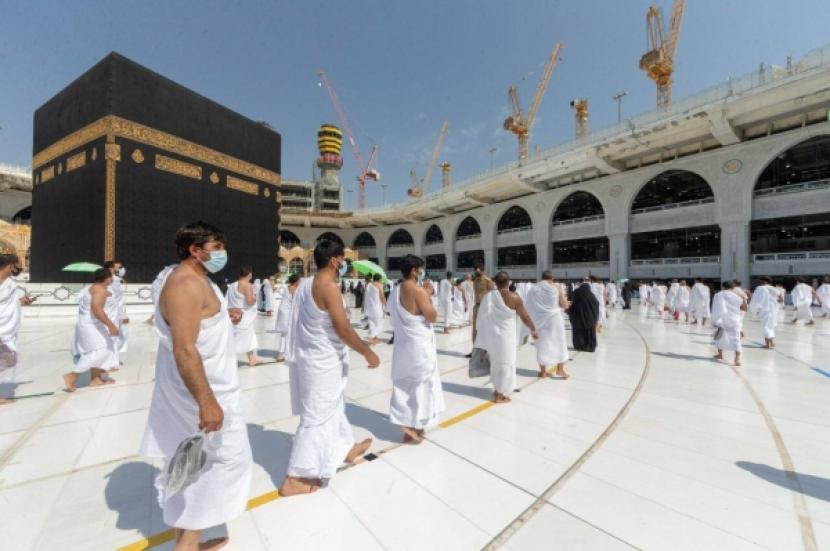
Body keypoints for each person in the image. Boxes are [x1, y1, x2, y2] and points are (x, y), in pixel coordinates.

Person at [139, 221, 252, 550]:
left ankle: (186, 541)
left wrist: (221, 318)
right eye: (216, 247)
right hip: (201, 391)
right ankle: (186, 545)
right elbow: (184, 348)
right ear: (195, 249)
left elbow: (197, 328)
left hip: (210, 385)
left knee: (193, 466)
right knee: (222, 462)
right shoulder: (185, 284)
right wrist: (206, 402)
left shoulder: (200, 281)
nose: (222, 254)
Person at [280, 240, 379, 496]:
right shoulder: (329, 287)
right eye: (342, 258)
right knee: (316, 416)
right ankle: (295, 476)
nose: (344, 262)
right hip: (321, 363)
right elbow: (342, 328)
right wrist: (367, 351)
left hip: (316, 358)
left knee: (334, 407)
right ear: (335, 260)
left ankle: (344, 448)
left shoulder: (304, 285)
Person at [388, 255, 444, 443]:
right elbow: (432, 317)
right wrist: (427, 294)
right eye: (419, 269)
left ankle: (407, 425)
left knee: (404, 383)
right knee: (422, 384)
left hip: (403, 346)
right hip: (419, 347)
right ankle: (415, 425)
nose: (421, 272)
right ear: (413, 271)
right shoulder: (419, 291)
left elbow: (392, 311)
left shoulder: (395, 291)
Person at [474, 271, 538, 403]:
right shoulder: (514, 297)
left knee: (496, 363)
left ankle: (498, 389)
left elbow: (482, 317)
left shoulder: (489, 297)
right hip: (506, 336)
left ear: (495, 283)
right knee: (506, 363)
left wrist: (483, 334)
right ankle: (499, 393)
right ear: (509, 282)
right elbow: (524, 316)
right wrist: (533, 329)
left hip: (493, 336)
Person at [66, 268, 119, 391]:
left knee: (101, 349)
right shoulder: (99, 290)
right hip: (90, 325)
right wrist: (111, 325)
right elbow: (97, 310)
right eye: (111, 276)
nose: (113, 279)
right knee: (99, 351)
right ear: (107, 278)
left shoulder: (93, 287)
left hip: (91, 323)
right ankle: (72, 376)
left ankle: (95, 379)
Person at [0, 254, 32, 405]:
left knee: (8, 359)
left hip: (7, 328)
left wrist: (20, 301)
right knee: (7, 358)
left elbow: (5, 302)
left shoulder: (9, 283)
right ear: (9, 266)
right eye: (15, 265)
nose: (17, 268)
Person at [526, 271, 570, 379]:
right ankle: (560, 369)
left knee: (542, 343)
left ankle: (543, 372)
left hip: (539, 320)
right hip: (555, 319)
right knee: (560, 343)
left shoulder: (533, 289)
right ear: (552, 278)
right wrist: (567, 303)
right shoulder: (556, 288)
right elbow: (564, 305)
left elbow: (529, 306)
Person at [226, 266, 261, 366]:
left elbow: (227, 300)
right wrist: (255, 297)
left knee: (248, 337)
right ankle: (229, 361)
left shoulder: (232, 285)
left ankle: (252, 359)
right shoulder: (247, 285)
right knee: (240, 339)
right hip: (243, 316)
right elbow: (249, 302)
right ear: (249, 274)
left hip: (234, 315)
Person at [711, 280, 747, 366]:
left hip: (722, 319)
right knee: (736, 339)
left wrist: (715, 320)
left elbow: (715, 308)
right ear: (733, 288)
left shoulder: (718, 295)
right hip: (734, 319)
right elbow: (743, 308)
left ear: (723, 287)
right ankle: (737, 359)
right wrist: (744, 300)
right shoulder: (737, 296)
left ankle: (720, 354)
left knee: (719, 336)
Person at [103, 260, 130, 360]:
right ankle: (110, 358)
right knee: (117, 336)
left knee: (115, 336)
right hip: (113, 312)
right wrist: (123, 316)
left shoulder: (110, 279)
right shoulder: (113, 280)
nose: (120, 270)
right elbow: (118, 300)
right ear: (110, 269)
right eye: (118, 268)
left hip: (110, 311)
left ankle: (110, 357)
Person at [274, 274, 300, 362]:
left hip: (282, 310)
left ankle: (285, 352)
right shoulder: (294, 289)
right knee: (286, 334)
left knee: (285, 333)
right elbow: (295, 302)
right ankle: (281, 354)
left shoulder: (288, 286)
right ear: (296, 281)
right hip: (286, 312)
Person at [750, 276, 781, 349]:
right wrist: (773, 302)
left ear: (764, 281)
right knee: (770, 326)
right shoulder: (774, 289)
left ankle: (768, 345)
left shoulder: (760, 288)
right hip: (773, 310)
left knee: (765, 326)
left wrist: (756, 309)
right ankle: (772, 342)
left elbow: (757, 300)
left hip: (765, 310)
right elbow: (781, 299)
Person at [570, 280, 600, 352]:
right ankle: (590, 346)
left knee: (579, 332)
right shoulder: (591, 296)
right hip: (590, 319)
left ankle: (579, 346)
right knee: (589, 332)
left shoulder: (576, 293)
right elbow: (596, 306)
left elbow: (573, 306)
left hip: (578, 318)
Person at [471, 264, 495, 346]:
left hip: (485, 307)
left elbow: (493, 295)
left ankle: (485, 349)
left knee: (485, 328)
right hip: (477, 306)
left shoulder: (488, 281)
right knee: (475, 328)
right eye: (475, 271)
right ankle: (475, 349)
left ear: (482, 271)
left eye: (478, 271)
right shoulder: (475, 281)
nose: (476, 273)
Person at [364, 273, 386, 345]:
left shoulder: (368, 285)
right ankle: (371, 336)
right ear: (379, 279)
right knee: (380, 323)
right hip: (377, 307)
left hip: (369, 307)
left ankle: (374, 339)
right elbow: (382, 296)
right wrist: (386, 305)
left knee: (372, 324)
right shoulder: (380, 285)